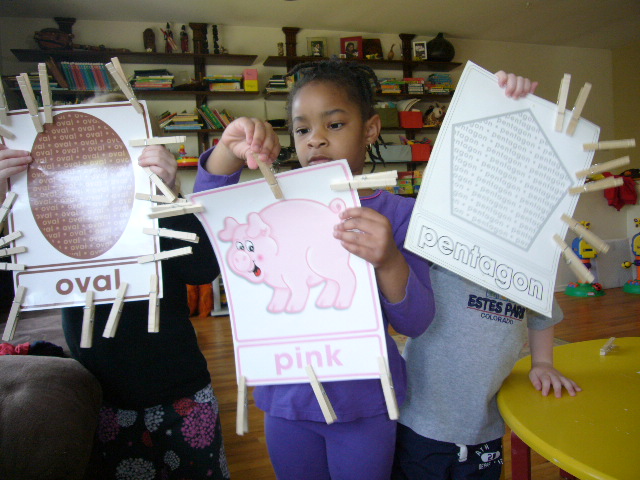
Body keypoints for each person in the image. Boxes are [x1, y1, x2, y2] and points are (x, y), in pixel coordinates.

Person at [193, 59, 436, 480]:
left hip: (366, 403)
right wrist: (227, 153)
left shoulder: (399, 213)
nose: (316, 139)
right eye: (302, 129)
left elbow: (416, 321)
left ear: (371, 129)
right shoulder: (274, 204)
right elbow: (207, 211)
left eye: (334, 125)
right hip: (286, 398)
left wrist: (389, 261)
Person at [0, 106, 230, 479]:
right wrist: (7, 206)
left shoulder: (153, 215)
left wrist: (169, 197)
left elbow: (203, 269)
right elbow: (13, 287)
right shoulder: (56, 226)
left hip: (182, 388)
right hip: (106, 398)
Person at [391, 72, 582, 480]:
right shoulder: (439, 244)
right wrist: (500, 97)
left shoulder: (528, 263)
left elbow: (543, 315)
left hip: (486, 429)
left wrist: (543, 362)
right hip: (420, 424)